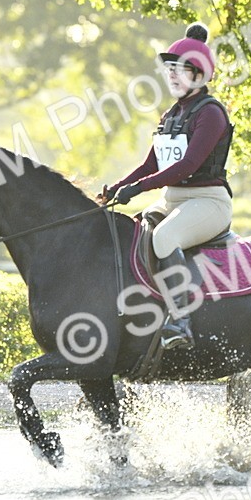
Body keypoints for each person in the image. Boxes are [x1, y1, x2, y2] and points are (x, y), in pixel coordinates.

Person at [99, 23, 234, 350]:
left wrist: (139, 189)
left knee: (164, 237)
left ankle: (180, 321)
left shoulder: (211, 113)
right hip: (172, 200)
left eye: (181, 68)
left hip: (208, 202)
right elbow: (151, 164)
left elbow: (187, 166)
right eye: (169, 68)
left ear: (199, 74)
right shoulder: (171, 114)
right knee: (131, 233)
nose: (172, 74)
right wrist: (117, 187)